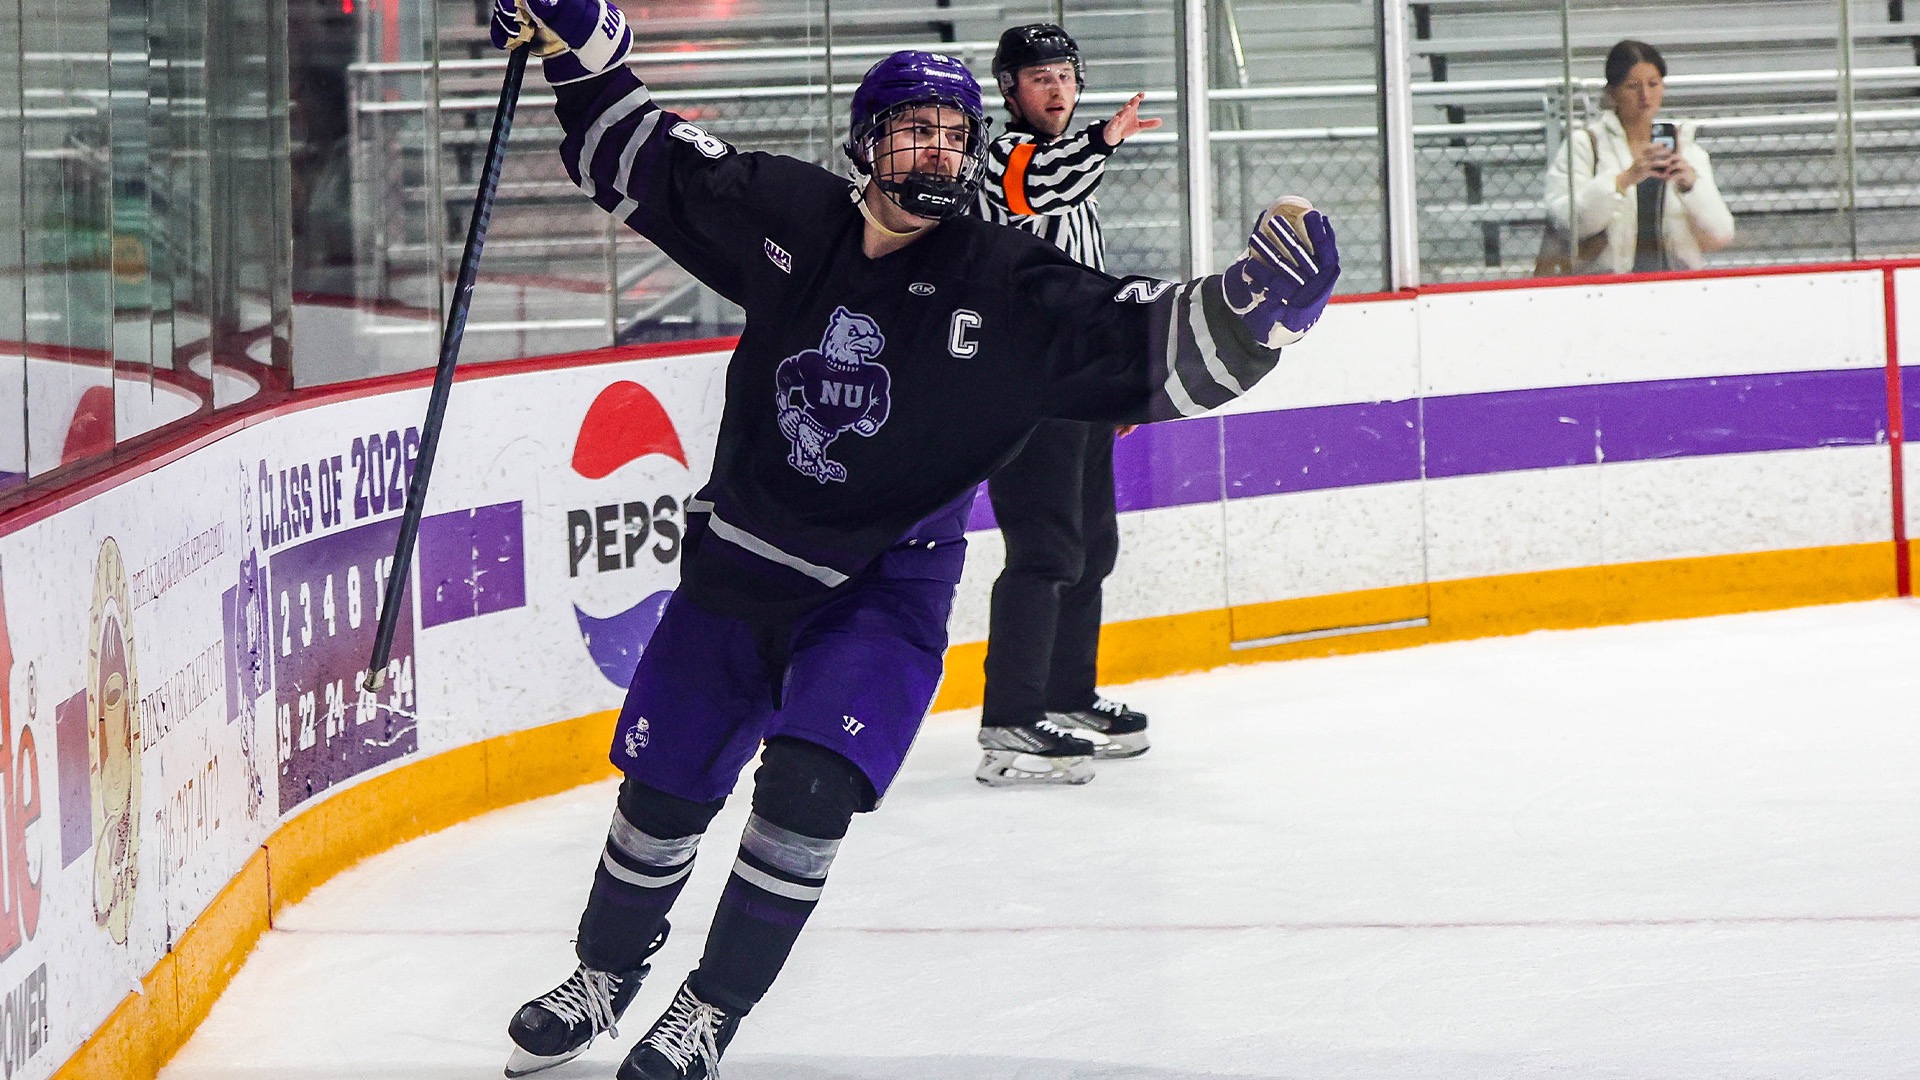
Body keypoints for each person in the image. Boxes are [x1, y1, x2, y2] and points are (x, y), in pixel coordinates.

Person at [488, 0, 1339, 1075]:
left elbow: (1140, 337)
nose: (937, 149)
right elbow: (647, 161)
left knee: (807, 795)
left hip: (883, 589)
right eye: (914, 129)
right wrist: (581, 49)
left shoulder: (1004, 281)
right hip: (741, 561)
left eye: (953, 133)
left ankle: (709, 1010)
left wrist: (1255, 311)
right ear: (866, 142)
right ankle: (604, 975)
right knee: (660, 797)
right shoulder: (791, 218)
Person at [971, 24, 1162, 788]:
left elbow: (1089, 284)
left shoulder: (1074, 173)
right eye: (1039, 78)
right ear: (1010, 90)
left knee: (1091, 547)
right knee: (1046, 552)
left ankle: (1065, 697)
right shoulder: (1001, 158)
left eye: (1065, 76)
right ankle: (1010, 720)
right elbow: (1040, 184)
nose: (1057, 89)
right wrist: (1105, 139)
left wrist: (1114, 376)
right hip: (1027, 391)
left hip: (1078, 388)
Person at [1543, 39, 1734, 274]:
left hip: (1675, 284)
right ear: (1612, 93)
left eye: (1653, 84)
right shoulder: (1586, 145)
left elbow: (1721, 236)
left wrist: (1691, 187)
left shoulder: (1685, 149)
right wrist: (1622, 181)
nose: (1645, 95)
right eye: (1633, 86)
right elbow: (1567, 223)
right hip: (1605, 286)